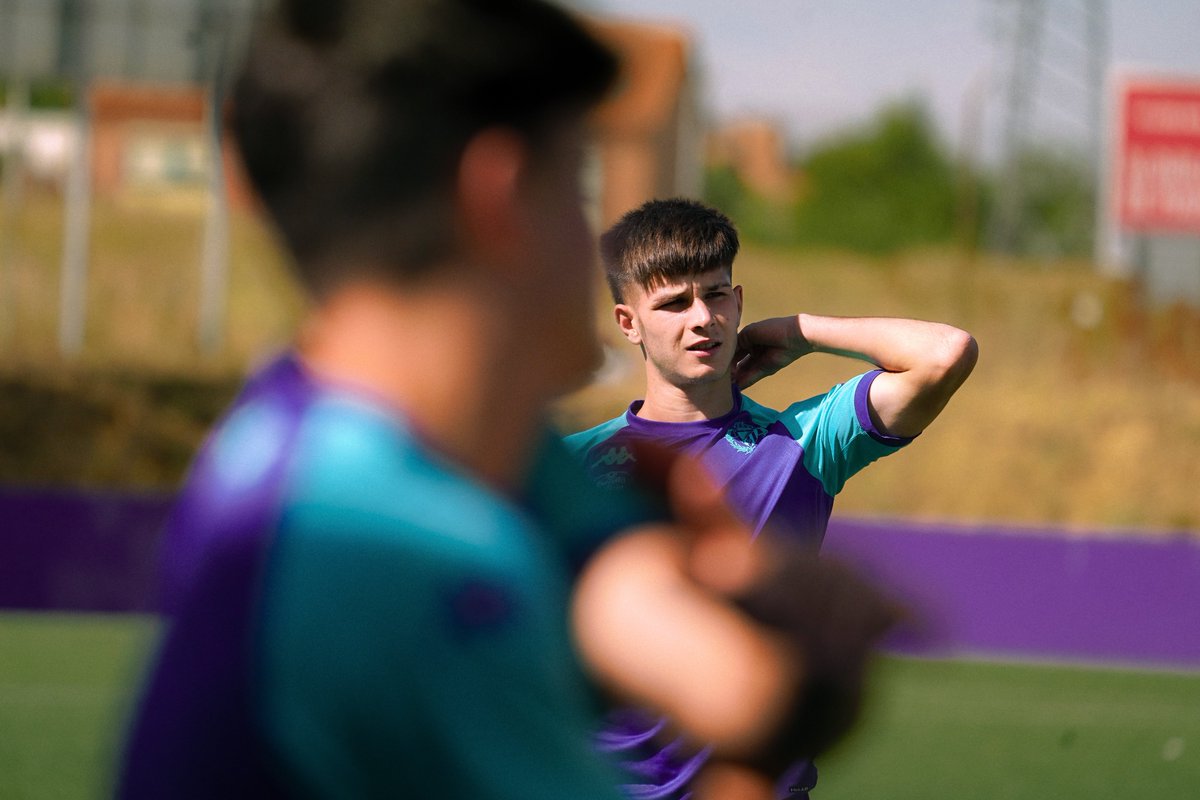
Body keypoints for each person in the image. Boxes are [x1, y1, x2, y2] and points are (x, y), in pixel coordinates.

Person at [115, 3, 898, 798]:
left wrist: (759, 676)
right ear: (504, 197)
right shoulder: (378, 547)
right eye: (576, 185)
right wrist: (792, 689)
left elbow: (670, 631)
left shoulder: (390, 444)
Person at [566, 198, 978, 798]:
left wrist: (798, 332)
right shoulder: (573, 465)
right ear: (629, 323)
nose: (702, 318)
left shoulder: (802, 440)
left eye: (716, 295)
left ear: (738, 301)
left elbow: (945, 354)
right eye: (674, 303)